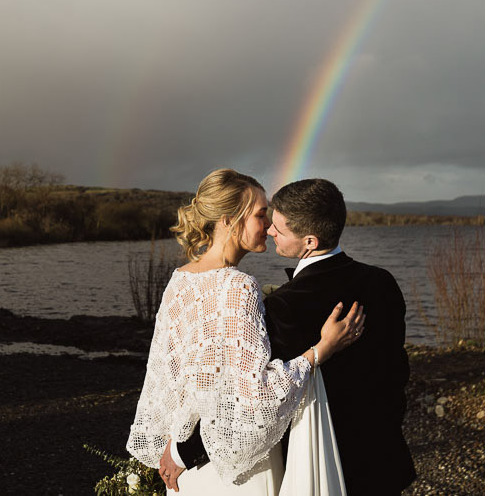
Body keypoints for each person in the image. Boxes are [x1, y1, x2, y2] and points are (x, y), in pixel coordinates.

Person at [167, 178, 416, 494]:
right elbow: (397, 372)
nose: (269, 231)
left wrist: (182, 452)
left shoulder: (286, 306)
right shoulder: (382, 282)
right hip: (383, 459)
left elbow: (248, 398)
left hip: (322, 465)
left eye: (279, 229)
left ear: (310, 241)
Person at [127, 169, 366, 493]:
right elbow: (257, 396)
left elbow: (172, 380)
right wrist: (321, 350)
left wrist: (177, 448)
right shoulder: (239, 287)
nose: (269, 227)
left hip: (188, 466)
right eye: (260, 214)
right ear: (229, 220)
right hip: (236, 469)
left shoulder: (179, 281)